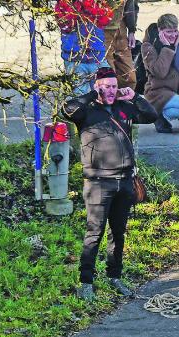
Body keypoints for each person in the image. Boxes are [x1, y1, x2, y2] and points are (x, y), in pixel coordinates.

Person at [61, 67, 158, 301]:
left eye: (114, 86)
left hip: (124, 181)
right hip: (98, 182)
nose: (112, 91)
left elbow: (151, 116)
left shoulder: (123, 108)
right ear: (98, 86)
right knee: (94, 233)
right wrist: (92, 95)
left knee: (118, 233)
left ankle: (114, 276)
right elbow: (68, 109)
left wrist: (134, 96)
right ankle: (86, 282)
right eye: (107, 86)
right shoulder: (87, 111)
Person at [141, 14, 179, 133]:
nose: (173, 35)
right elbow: (160, 72)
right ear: (160, 30)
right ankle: (159, 115)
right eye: (169, 32)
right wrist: (168, 48)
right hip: (159, 92)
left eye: (175, 31)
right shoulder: (148, 46)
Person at [55, 0, 113, 95]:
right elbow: (66, 24)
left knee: (106, 95)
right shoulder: (63, 4)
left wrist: (88, 4)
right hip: (74, 58)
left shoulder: (98, 3)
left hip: (97, 56)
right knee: (80, 98)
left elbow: (105, 19)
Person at [103, 0, 139, 90]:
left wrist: (131, 31)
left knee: (129, 76)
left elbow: (132, 5)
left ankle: (125, 101)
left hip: (121, 28)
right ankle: (109, 102)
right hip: (102, 30)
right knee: (108, 76)